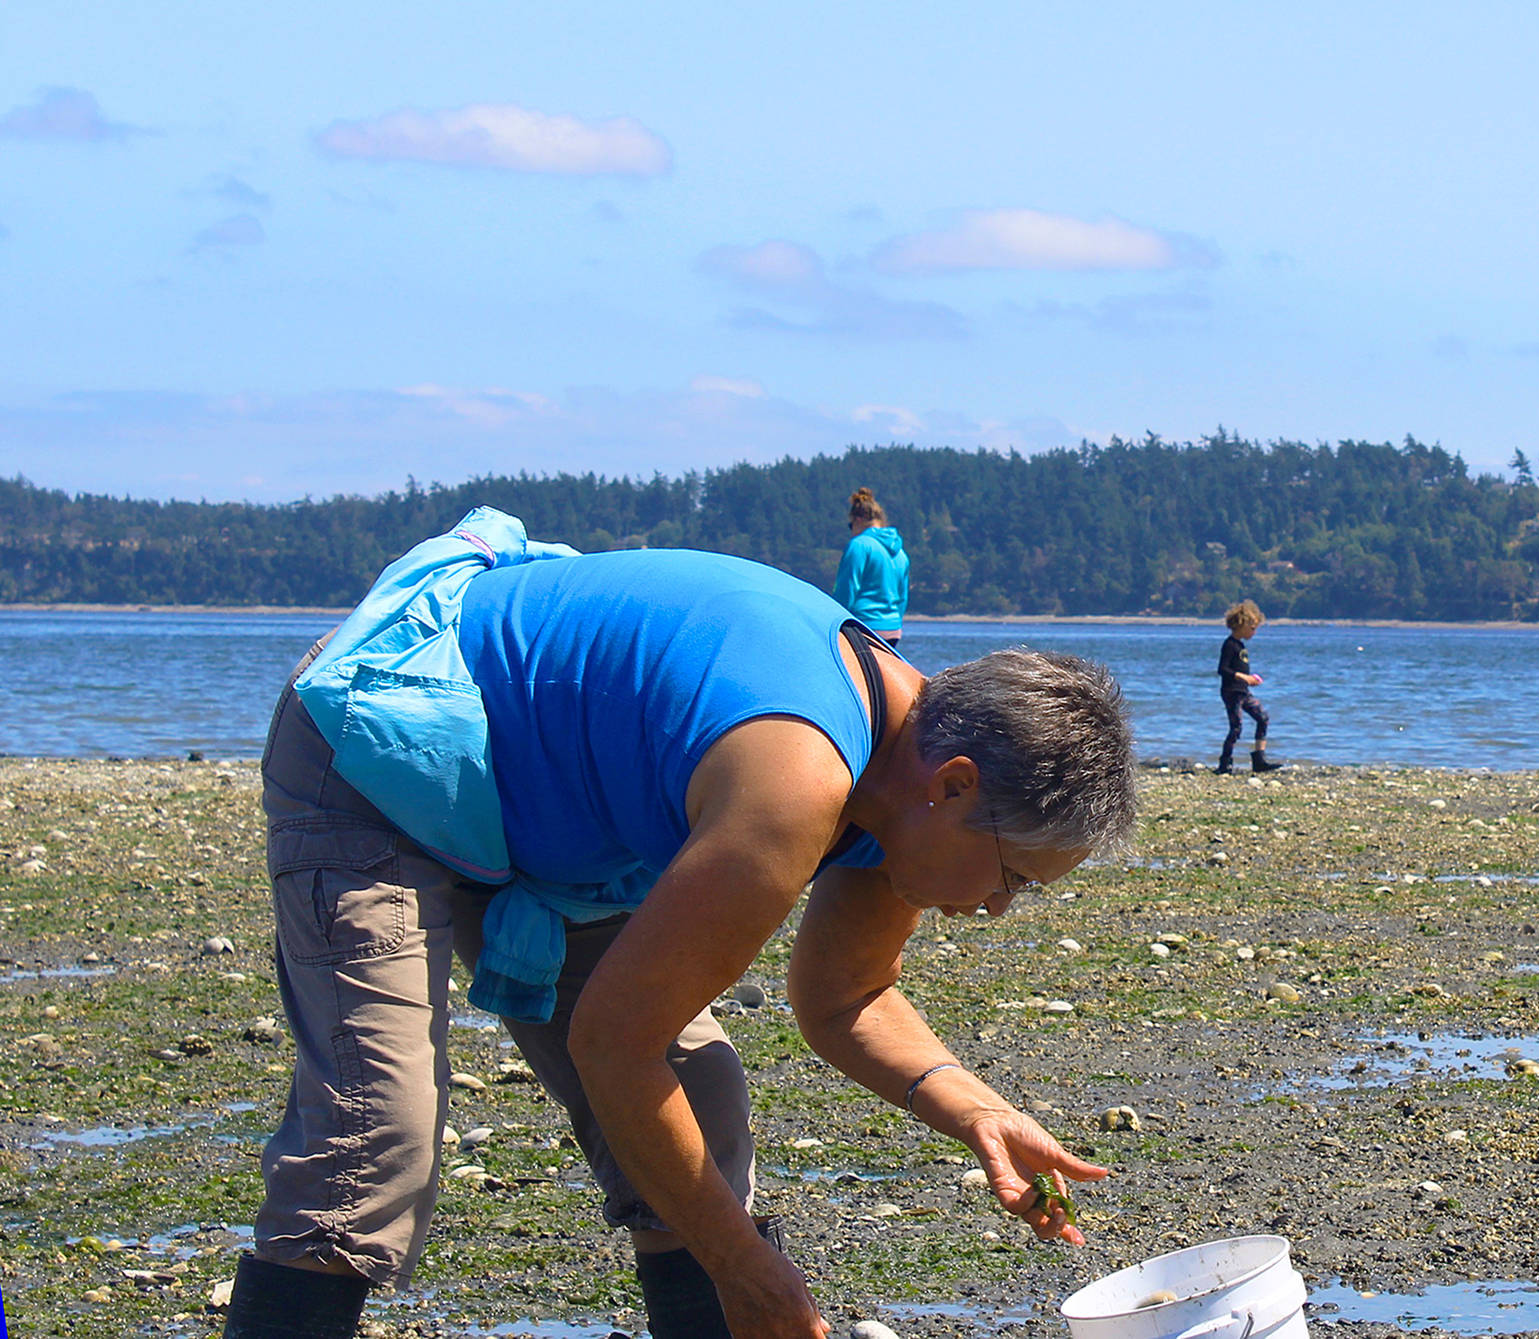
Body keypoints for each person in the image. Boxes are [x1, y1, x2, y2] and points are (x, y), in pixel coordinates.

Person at [221, 507, 1138, 1339]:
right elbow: (614, 1043)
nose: (994, 909)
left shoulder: (904, 789)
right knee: (376, 1139)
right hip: (390, 742)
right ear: (955, 784)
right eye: (1012, 877)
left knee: (699, 1102)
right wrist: (749, 1272)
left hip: (546, 815)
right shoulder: (797, 777)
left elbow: (847, 995)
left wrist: (978, 1111)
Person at [832, 486, 910, 646]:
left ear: (858, 520)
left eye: (850, 525)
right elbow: (902, 597)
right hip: (893, 629)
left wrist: (834, 622)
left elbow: (847, 589)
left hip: (865, 626)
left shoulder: (859, 545)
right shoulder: (900, 552)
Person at [1215, 599, 1281, 774]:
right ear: (1241, 625)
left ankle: (1259, 759)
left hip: (1243, 692)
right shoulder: (1229, 644)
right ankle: (1225, 763)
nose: (1254, 632)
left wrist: (1251, 680)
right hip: (1231, 692)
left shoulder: (1241, 646)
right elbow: (1223, 669)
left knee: (1263, 718)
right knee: (1236, 728)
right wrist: (1243, 676)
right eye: (1252, 628)